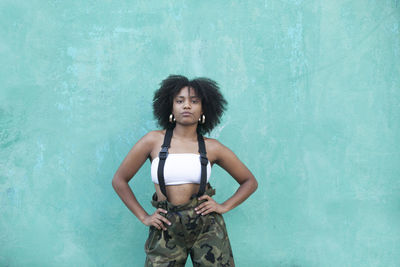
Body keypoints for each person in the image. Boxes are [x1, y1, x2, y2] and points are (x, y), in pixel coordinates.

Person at [112, 74, 258, 266]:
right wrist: (144, 217)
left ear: (203, 109)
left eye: (194, 101)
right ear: (170, 107)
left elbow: (249, 182)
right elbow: (119, 180)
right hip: (166, 225)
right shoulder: (153, 141)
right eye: (179, 101)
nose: (186, 105)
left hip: (207, 226)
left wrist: (223, 207)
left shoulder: (212, 147)